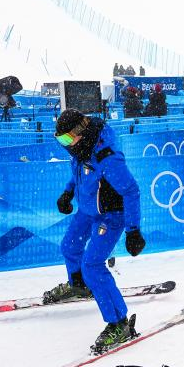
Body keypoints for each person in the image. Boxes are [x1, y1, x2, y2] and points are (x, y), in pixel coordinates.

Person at [46, 110, 146, 353]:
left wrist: (133, 230)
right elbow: (78, 174)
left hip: (111, 215)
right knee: (69, 247)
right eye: (61, 141)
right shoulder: (81, 147)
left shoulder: (107, 156)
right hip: (88, 209)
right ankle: (79, 285)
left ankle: (119, 322)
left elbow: (131, 191)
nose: (65, 146)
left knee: (93, 265)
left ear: (80, 132)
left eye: (67, 140)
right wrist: (69, 192)